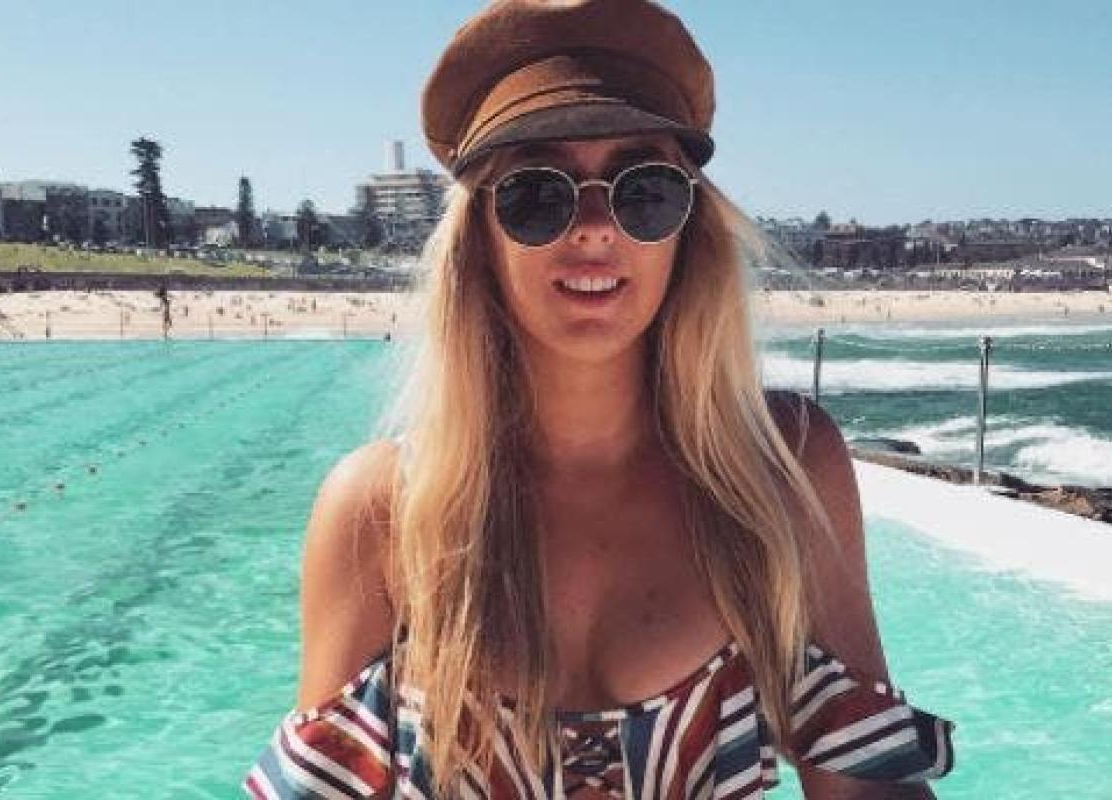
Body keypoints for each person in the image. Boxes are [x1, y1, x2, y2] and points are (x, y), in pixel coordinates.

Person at [246, 1, 955, 797]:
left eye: (643, 190)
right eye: (537, 195)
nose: (593, 228)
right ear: (479, 237)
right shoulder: (379, 511)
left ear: (689, 225)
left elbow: (865, 784)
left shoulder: (783, 467)